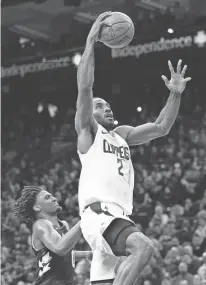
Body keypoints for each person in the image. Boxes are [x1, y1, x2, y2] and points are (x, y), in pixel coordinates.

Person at [75, 11, 191, 285]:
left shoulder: (122, 135)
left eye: (107, 104)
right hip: (100, 215)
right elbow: (85, 87)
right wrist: (91, 40)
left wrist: (175, 94)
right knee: (144, 247)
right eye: (100, 105)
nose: (107, 107)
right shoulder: (88, 132)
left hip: (118, 215)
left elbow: (161, 127)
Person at [13, 186, 92, 285]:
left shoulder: (63, 224)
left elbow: (64, 255)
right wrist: (85, 219)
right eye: (47, 197)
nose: (54, 198)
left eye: (52, 196)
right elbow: (60, 248)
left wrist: (87, 254)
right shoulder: (40, 225)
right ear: (37, 207)